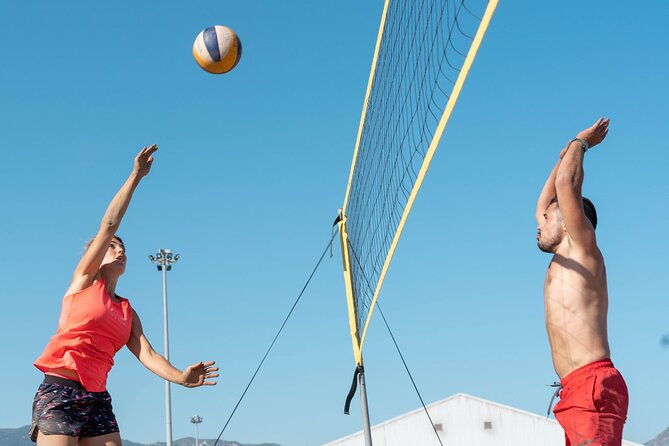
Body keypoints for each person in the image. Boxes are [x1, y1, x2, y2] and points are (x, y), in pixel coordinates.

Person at [31, 145, 219, 445]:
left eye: (124, 249)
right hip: (61, 389)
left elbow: (147, 354)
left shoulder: (127, 311)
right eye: (113, 246)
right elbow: (109, 225)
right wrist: (136, 176)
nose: (120, 250)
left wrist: (180, 378)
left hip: (97, 399)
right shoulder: (84, 281)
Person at [536, 118, 628, 445]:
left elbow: (565, 184)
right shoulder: (561, 255)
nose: (539, 220)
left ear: (571, 222)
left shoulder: (583, 247)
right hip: (575, 390)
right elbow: (547, 200)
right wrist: (563, 157)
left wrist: (581, 142)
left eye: (548, 218)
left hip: (593, 386)